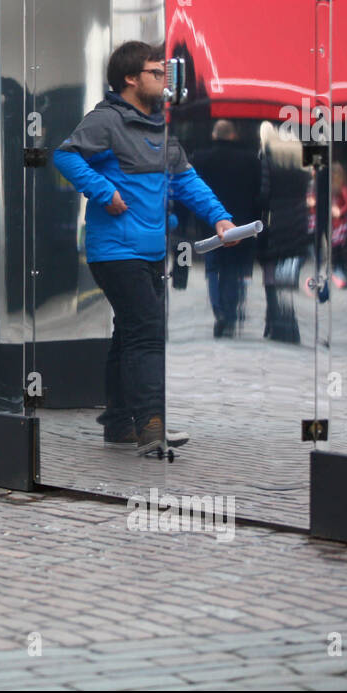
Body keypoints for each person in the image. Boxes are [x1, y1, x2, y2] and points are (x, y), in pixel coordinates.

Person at [53, 41, 237, 455]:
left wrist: (220, 217)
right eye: (157, 73)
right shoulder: (106, 120)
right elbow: (65, 157)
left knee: (129, 335)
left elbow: (186, 180)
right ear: (131, 79)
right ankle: (152, 425)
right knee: (149, 334)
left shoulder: (161, 128)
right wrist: (103, 191)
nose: (164, 80)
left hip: (152, 251)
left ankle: (119, 424)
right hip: (116, 252)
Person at [191, 119, 259, 337]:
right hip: (239, 223)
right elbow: (257, 194)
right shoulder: (250, 160)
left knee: (212, 269)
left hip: (209, 223)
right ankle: (229, 314)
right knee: (233, 270)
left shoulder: (200, 158)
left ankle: (219, 312)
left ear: (214, 135)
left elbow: (192, 191)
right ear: (233, 136)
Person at [257, 122, 309, 343]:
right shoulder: (300, 161)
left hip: (275, 221)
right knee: (287, 276)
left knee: (271, 273)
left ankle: (277, 321)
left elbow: (264, 193)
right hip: (298, 221)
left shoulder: (268, 160)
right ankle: (286, 322)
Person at [329, 161, 347, 289]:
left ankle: (344, 277)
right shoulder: (333, 187)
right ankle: (340, 277)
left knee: (339, 252)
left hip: (340, 223)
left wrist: (340, 211)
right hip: (333, 223)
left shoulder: (343, 187)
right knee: (336, 252)